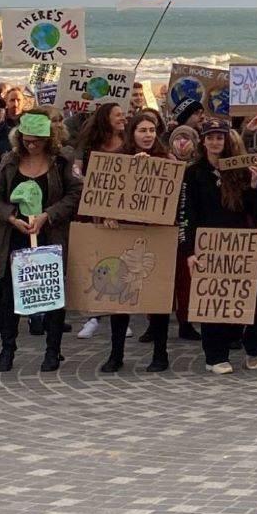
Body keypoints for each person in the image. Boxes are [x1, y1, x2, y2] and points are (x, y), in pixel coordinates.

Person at [0, 113, 82, 373]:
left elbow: (75, 194)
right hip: (15, 236)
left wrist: (48, 215)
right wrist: (12, 217)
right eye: (27, 141)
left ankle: (53, 350)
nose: (32, 146)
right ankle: (7, 348)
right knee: (9, 297)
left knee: (51, 294)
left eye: (37, 142)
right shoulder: (9, 161)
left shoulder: (62, 161)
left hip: (49, 236)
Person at [184, 115, 257, 375]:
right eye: (211, 137)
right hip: (208, 245)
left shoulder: (240, 169)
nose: (216, 142)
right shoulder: (193, 173)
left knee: (251, 298)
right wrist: (189, 251)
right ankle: (215, 356)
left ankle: (254, 347)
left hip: (239, 243)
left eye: (220, 137)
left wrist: (253, 185)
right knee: (212, 301)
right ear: (203, 141)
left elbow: (254, 210)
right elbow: (187, 213)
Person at [103, 112, 176, 373]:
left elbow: (176, 195)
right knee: (119, 297)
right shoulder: (118, 160)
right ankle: (116, 354)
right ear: (132, 133)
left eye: (152, 130)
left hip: (156, 235)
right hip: (125, 236)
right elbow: (104, 196)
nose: (148, 135)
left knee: (157, 297)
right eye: (142, 130)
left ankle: (160, 354)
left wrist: (152, 169)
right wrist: (107, 215)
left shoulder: (167, 160)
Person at [68, 100, 129, 344]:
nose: (123, 118)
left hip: (124, 211)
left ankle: (120, 315)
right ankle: (94, 315)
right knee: (99, 261)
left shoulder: (129, 144)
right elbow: (77, 173)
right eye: (118, 115)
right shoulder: (89, 145)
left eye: (123, 114)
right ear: (106, 118)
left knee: (122, 262)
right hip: (96, 210)